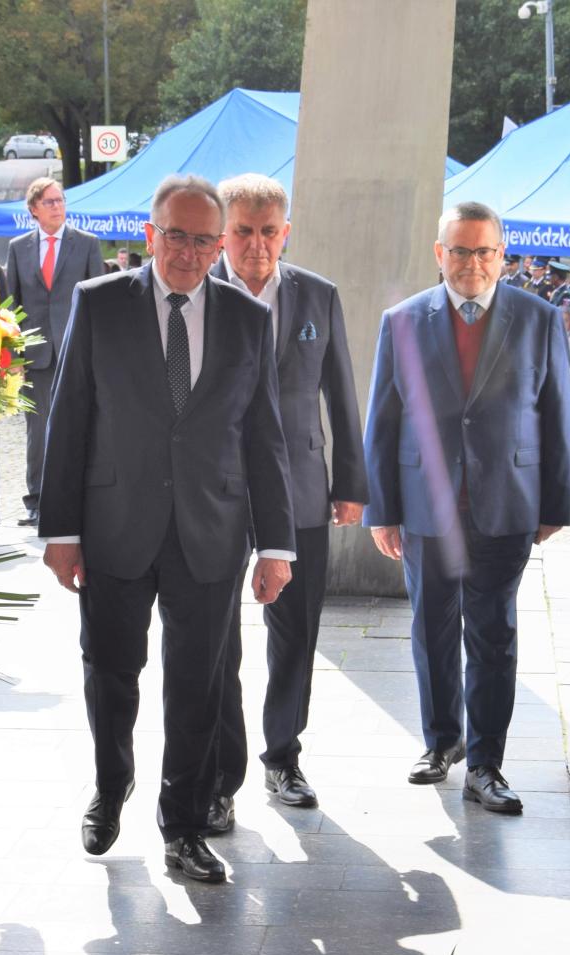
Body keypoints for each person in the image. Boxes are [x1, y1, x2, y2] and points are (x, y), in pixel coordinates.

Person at [39, 174, 295, 886]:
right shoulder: (99, 307)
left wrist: (275, 545)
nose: (186, 251)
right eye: (173, 235)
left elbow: (263, 439)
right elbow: (69, 423)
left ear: (220, 245)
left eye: (202, 239)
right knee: (112, 672)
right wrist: (60, 530)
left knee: (199, 686)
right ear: (149, 235)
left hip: (210, 532)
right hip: (115, 524)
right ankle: (110, 782)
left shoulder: (248, 319)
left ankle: (182, 824)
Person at [362, 201, 570, 815]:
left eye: (484, 251)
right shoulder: (401, 321)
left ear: (501, 256)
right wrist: (382, 508)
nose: (472, 263)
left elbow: (556, 415)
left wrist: (556, 501)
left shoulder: (539, 319)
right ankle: (440, 743)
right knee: (432, 631)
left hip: (506, 507)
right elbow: (383, 419)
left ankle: (486, 763)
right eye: (459, 250)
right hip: (426, 509)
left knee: (492, 637)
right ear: (440, 254)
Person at [207, 173, 366, 818]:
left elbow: (342, 394)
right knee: (216, 637)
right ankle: (219, 775)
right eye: (243, 231)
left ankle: (283, 755)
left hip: (300, 485)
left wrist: (351, 483)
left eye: (269, 231)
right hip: (213, 491)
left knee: (295, 631)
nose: (256, 245)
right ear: (224, 233)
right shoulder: (194, 293)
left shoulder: (317, 296)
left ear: (286, 232)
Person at [5, 177, 106, 525]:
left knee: (81, 425)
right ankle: (36, 501)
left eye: (60, 200)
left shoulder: (87, 244)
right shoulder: (19, 248)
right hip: (36, 355)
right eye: (49, 202)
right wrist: (13, 357)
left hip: (78, 352)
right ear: (33, 209)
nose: (58, 207)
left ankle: (78, 497)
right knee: (37, 432)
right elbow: (11, 306)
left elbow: (100, 301)